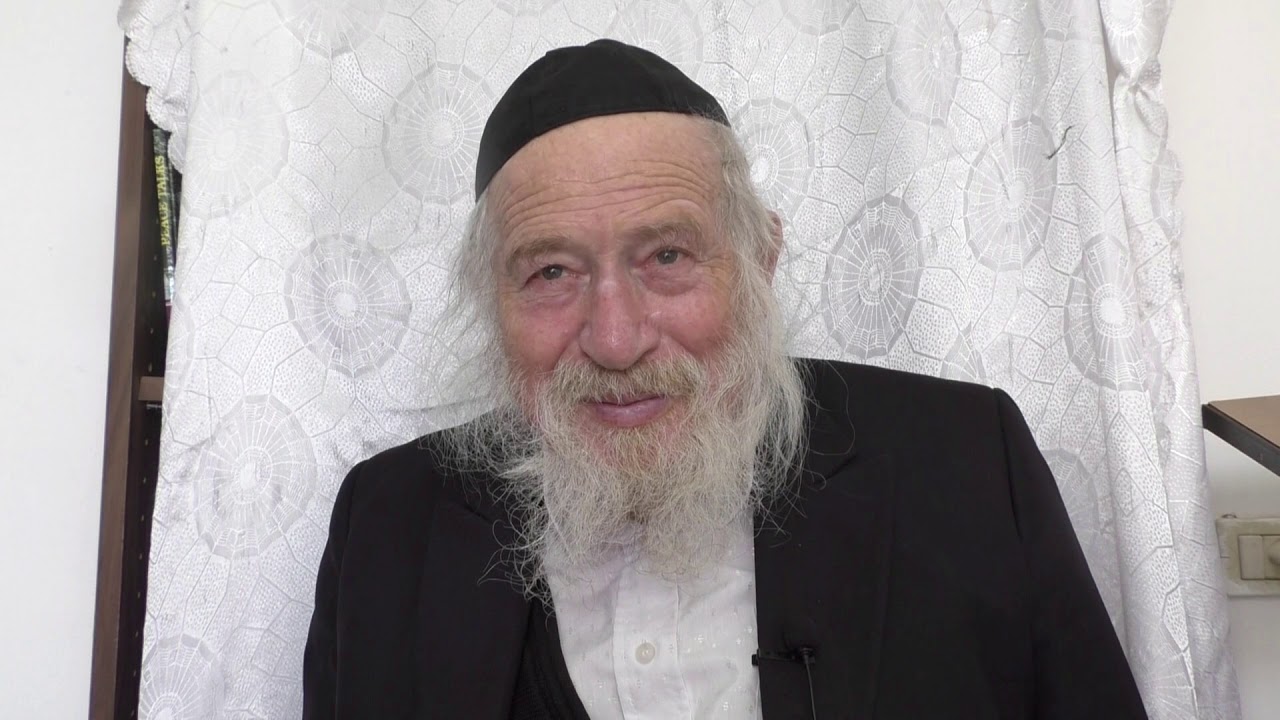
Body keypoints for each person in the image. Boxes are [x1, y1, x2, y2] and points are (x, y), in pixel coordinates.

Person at [302, 39, 1148, 719]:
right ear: (493, 301)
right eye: (551, 272)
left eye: (668, 257)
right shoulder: (387, 523)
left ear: (759, 261)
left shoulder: (964, 463)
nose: (616, 340)